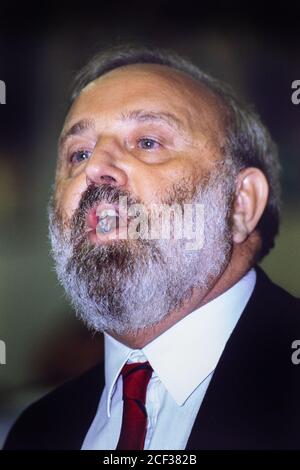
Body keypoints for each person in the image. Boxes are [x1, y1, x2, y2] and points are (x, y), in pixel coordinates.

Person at [3, 45, 300, 450]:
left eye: (147, 142)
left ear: (239, 205)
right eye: (79, 153)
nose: (94, 168)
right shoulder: (36, 432)